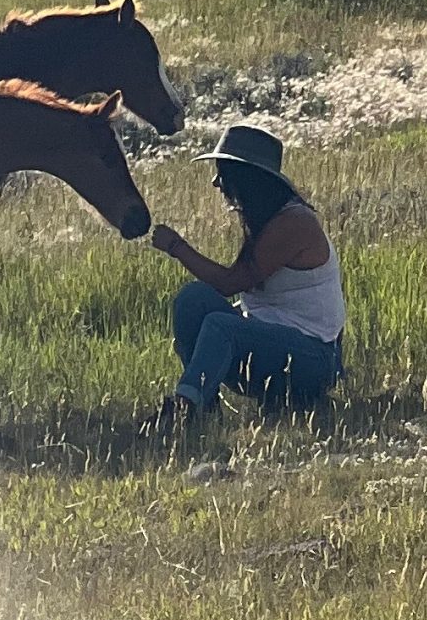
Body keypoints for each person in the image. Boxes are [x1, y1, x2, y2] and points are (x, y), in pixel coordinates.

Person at [147, 123, 344, 424]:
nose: (216, 183)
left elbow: (230, 284)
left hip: (313, 360)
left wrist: (176, 246)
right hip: (278, 350)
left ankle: (184, 408)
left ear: (248, 180)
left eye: (223, 173)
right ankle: (204, 409)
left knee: (220, 325)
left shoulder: (293, 224)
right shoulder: (269, 219)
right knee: (193, 299)